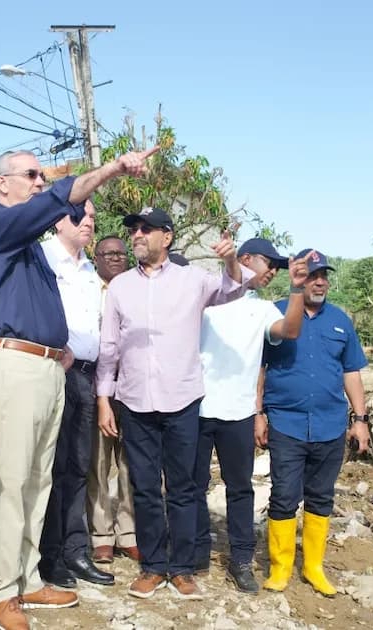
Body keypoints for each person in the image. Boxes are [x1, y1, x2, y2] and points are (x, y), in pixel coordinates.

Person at [0, 146, 158, 630]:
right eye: (30, 174)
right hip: (15, 366)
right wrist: (115, 168)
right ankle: (3, 593)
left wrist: (61, 350)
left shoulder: (31, 246)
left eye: (42, 174)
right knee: (12, 484)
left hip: (48, 369)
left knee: (38, 482)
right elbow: (57, 200)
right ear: (2, 185)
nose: (39, 180)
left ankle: (29, 578)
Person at [96, 207, 252, 601]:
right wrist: (103, 398)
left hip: (181, 399)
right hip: (134, 401)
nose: (137, 235)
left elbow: (234, 288)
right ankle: (152, 566)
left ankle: (181, 568)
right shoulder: (120, 287)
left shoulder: (193, 280)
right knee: (145, 487)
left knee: (183, 487)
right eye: (134, 229)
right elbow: (109, 348)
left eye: (146, 229)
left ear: (166, 237)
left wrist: (230, 258)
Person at [193, 238, 308, 594]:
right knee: (191, 485)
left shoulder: (263, 309)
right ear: (243, 259)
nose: (272, 271)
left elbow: (289, 330)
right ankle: (194, 552)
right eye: (267, 263)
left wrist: (296, 289)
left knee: (240, 489)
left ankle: (241, 560)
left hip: (239, 412)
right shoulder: (206, 298)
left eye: (278, 267)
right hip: (195, 406)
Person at [261, 249, 370, 597]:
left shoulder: (340, 321)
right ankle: (279, 568)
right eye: (312, 275)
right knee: (283, 495)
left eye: (324, 275)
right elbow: (259, 369)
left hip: (330, 425)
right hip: (286, 422)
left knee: (321, 497)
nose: (320, 281)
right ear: (298, 277)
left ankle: (313, 567)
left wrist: (361, 419)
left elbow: (351, 371)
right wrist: (258, 414)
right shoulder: (276, 313)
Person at [38, 200, 115, 588]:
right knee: (49, 468)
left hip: (85, 376)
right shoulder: (42, 259)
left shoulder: (88, 269)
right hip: (54, 372)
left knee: (77, 467)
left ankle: (75, 551)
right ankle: (48, 555)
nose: (89, 223)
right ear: (59, 222)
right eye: (81, 217)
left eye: (92, 218)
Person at [86, 235, 140, 566]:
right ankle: (101, 534)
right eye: (108, 253)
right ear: (97, 258)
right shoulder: (86, 289)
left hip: (133, 386)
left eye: (121, 253)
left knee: (130, 463)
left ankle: (129, 532)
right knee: (99, 462)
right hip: (97, 385)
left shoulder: (136, 289)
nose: (116, 258)